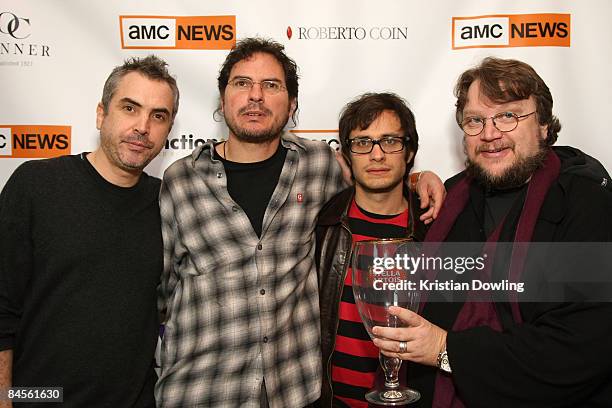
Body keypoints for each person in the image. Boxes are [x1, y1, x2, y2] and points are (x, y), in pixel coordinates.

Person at [155, 38, 444, 408]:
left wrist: (418, 179)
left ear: (291, 104)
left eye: (271, 85)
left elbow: (376, 176)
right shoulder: (180, 179)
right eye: (242, 83)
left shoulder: (318, 165)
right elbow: (159, 294)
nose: (255, 96)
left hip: (292, 392)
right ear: (223, 98)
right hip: (200, 391)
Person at [372, 57, 612, 407]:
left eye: (509, 116)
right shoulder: (446, 200)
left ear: (543, 125)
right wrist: (414, 177)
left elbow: (584, 345)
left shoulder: (587, 203)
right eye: (475, 120)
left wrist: (444, 348)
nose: (489, 133)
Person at [0, 55, 179, 407]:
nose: (143, 126)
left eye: (158, 116)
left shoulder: (170, 201)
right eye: (130, 108)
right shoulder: (37, 185)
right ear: (101, 114)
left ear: (168, 130)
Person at [315, 92, 428, 407]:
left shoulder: (436, 227)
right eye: (362, 143)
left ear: (410, 152)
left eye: (390, 141)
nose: (377, 155)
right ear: (347, 155)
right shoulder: (322, 224)